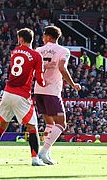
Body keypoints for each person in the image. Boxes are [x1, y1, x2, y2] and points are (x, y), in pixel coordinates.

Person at [0, 28, 46, 166]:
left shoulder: (14, 52)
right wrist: (45, 82)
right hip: (21, 95)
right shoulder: (36, 55)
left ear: (21, 40)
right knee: (32, 126)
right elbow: (40, 79)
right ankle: (35, 159)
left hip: (7, 93)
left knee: (1, 126)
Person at [33, 26, 82, 165]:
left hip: (38, 90)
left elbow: (33, 70)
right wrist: (73, 84)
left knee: (50, 123)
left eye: (43, 35)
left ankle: (46, 153)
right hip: (52, 92)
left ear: (48, 37)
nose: (42, 38)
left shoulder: (38, 50)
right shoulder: (63, 51)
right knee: (61, 123)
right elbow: (62, 67)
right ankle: (44, 151)